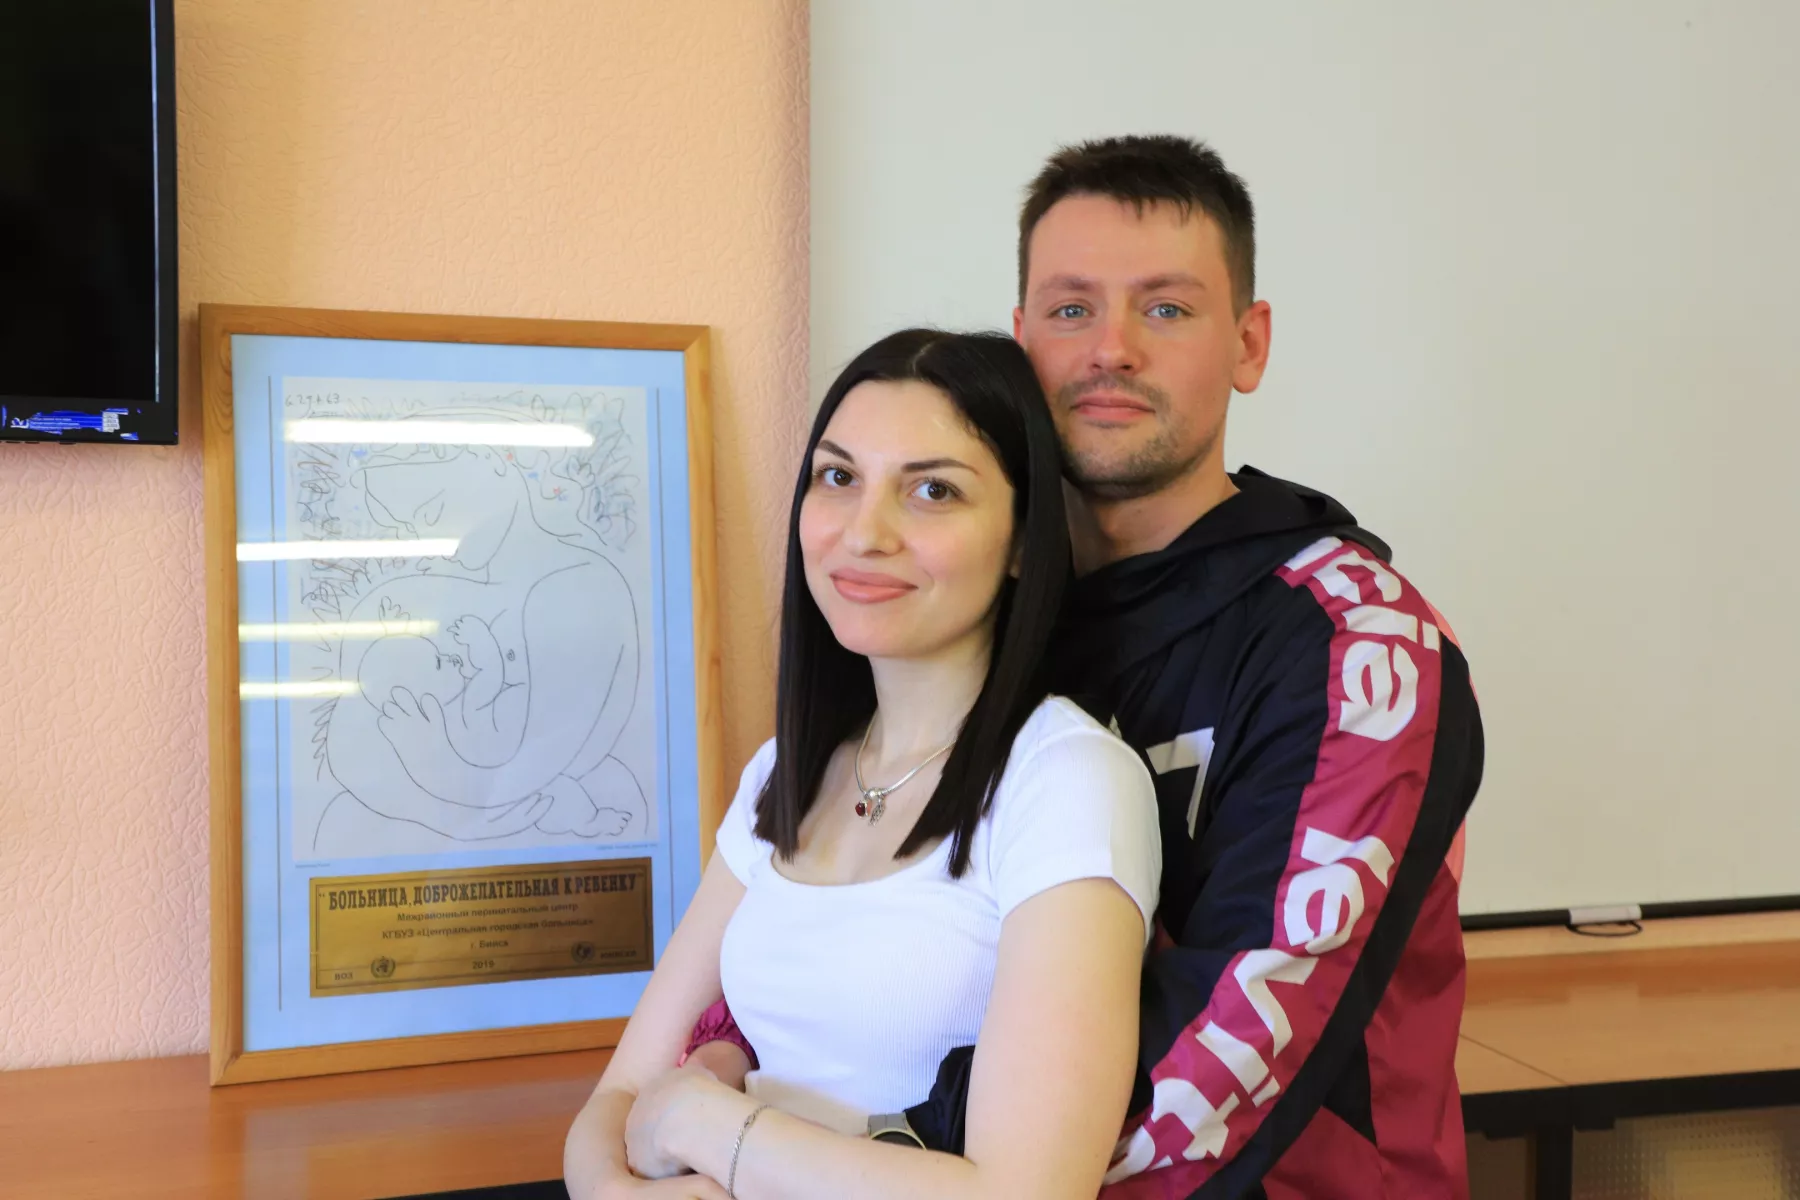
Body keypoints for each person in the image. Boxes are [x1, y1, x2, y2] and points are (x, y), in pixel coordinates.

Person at [676, 135, 1485, 1199]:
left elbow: (1236, 1045)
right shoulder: (968, 601)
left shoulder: (1353, 646)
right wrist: (732, 1051)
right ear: (1021, 346)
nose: (1112, 350)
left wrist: (854, 1138)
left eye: (1166, 308)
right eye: (1070, 310)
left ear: (1248, 344)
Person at [563, 329, 1163, 1200]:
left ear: (1022, 542)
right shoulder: (786, 772)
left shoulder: (1067, 779)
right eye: (838, 478)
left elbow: (1027, 1193)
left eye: (932, 490)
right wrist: (609, 1190)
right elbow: (619, 1094)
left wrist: (704, 1123)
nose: (864, 532)